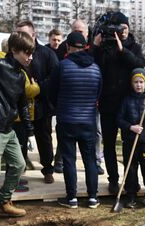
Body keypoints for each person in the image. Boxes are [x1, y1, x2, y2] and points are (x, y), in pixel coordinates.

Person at [91, 11, 145, 195]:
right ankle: (113, 180)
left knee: (130, 144)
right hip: (108, 105)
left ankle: (131, 181)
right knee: (109, 145)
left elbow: (140, 66)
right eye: (117, 28)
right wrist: (96, 47)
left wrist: (123, 50)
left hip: (129, 105)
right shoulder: (105, 46)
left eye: (123, 28)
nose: (120, 31)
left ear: (128, 28)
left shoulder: (134, 47)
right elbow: (94, 65)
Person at [48, 32, 102, 209]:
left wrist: (60, 105)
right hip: (88, 121)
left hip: (66, 120)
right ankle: (93, 197)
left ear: (69, 47)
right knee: (90, 160)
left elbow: (51, 91)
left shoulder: (62, 66)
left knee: (69, 160)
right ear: (85, 46)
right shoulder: (95, 68)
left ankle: (72, 198)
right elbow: (98, 93)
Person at [0, 31, 34, 217]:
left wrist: (29, 130)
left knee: (18, 164)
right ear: (14, 50)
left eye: (31, 53)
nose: (30, 57)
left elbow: (23, 104)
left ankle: (4, 201)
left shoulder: (20, 75)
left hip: (8, 129)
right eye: (27, 53)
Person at [15, 20, 59, 184]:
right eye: (17, 34)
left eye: (24, 34)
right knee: (20, 140)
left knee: (44, 138)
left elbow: (55, 75)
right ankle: (20, 170)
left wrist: (39, 87)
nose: (20, 37)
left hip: (42, 105)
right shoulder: (13, 53)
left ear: (33, 35)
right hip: (20, 105)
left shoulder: (47, 53)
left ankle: (48, 168)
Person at [116, 68, 145, 208]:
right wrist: (130, 127)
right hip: (129, 141)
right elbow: (119, 119)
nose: (138, 85)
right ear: (131, 83)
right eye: (136, 82)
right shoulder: (126, 100)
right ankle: (131, 195)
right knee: (131, 170)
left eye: (141, 82)